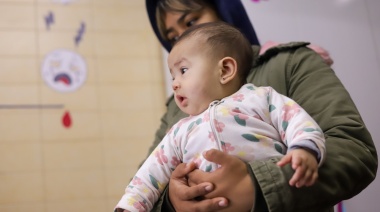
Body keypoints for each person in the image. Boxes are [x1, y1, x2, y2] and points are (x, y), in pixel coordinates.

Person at [141, 0, 377, 211]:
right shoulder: (175, 106)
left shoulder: (291, 62)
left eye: (191, 20)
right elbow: (146, 179)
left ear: (224, 7)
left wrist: (255, 186)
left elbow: (354, 150)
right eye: (172, 37)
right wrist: (172, 202)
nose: (181, 39)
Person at [115, 22, 326, 212]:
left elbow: (299, 122)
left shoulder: (262, 98)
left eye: (184, 70)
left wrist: (304, 149)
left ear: (225, 70)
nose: (175, 83)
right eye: (173, 75)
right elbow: (152, 171)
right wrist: (130, 205)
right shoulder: (179, 130)